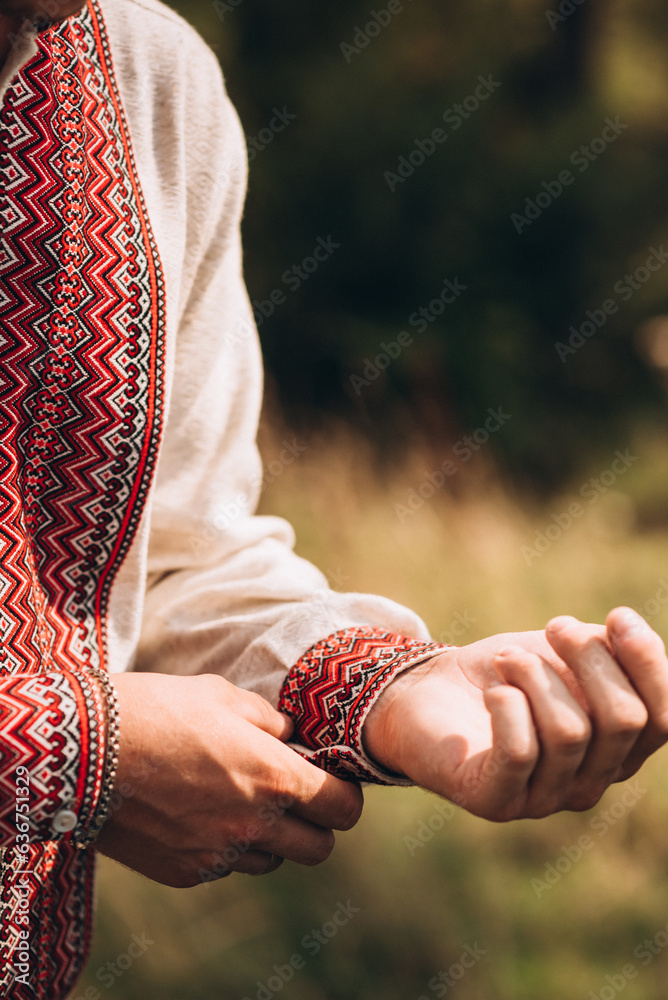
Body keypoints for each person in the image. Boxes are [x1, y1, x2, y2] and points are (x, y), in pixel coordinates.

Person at [1, 0, 667, 997]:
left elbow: (178, 566)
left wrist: (390, 696)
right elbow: (94, 716)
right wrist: (74, 750)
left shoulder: (150, 83)